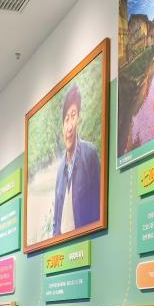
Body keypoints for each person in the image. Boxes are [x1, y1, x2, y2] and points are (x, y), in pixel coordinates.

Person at [51, 84, 101, 237]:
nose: (69, 126)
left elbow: (98, 210)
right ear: (62, 126)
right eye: (66, 119)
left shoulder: (90, 154)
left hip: (84, 245)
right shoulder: (60, 169)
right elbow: (56, 221)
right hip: (63, 248)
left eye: (73, 116)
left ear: (79, 118)